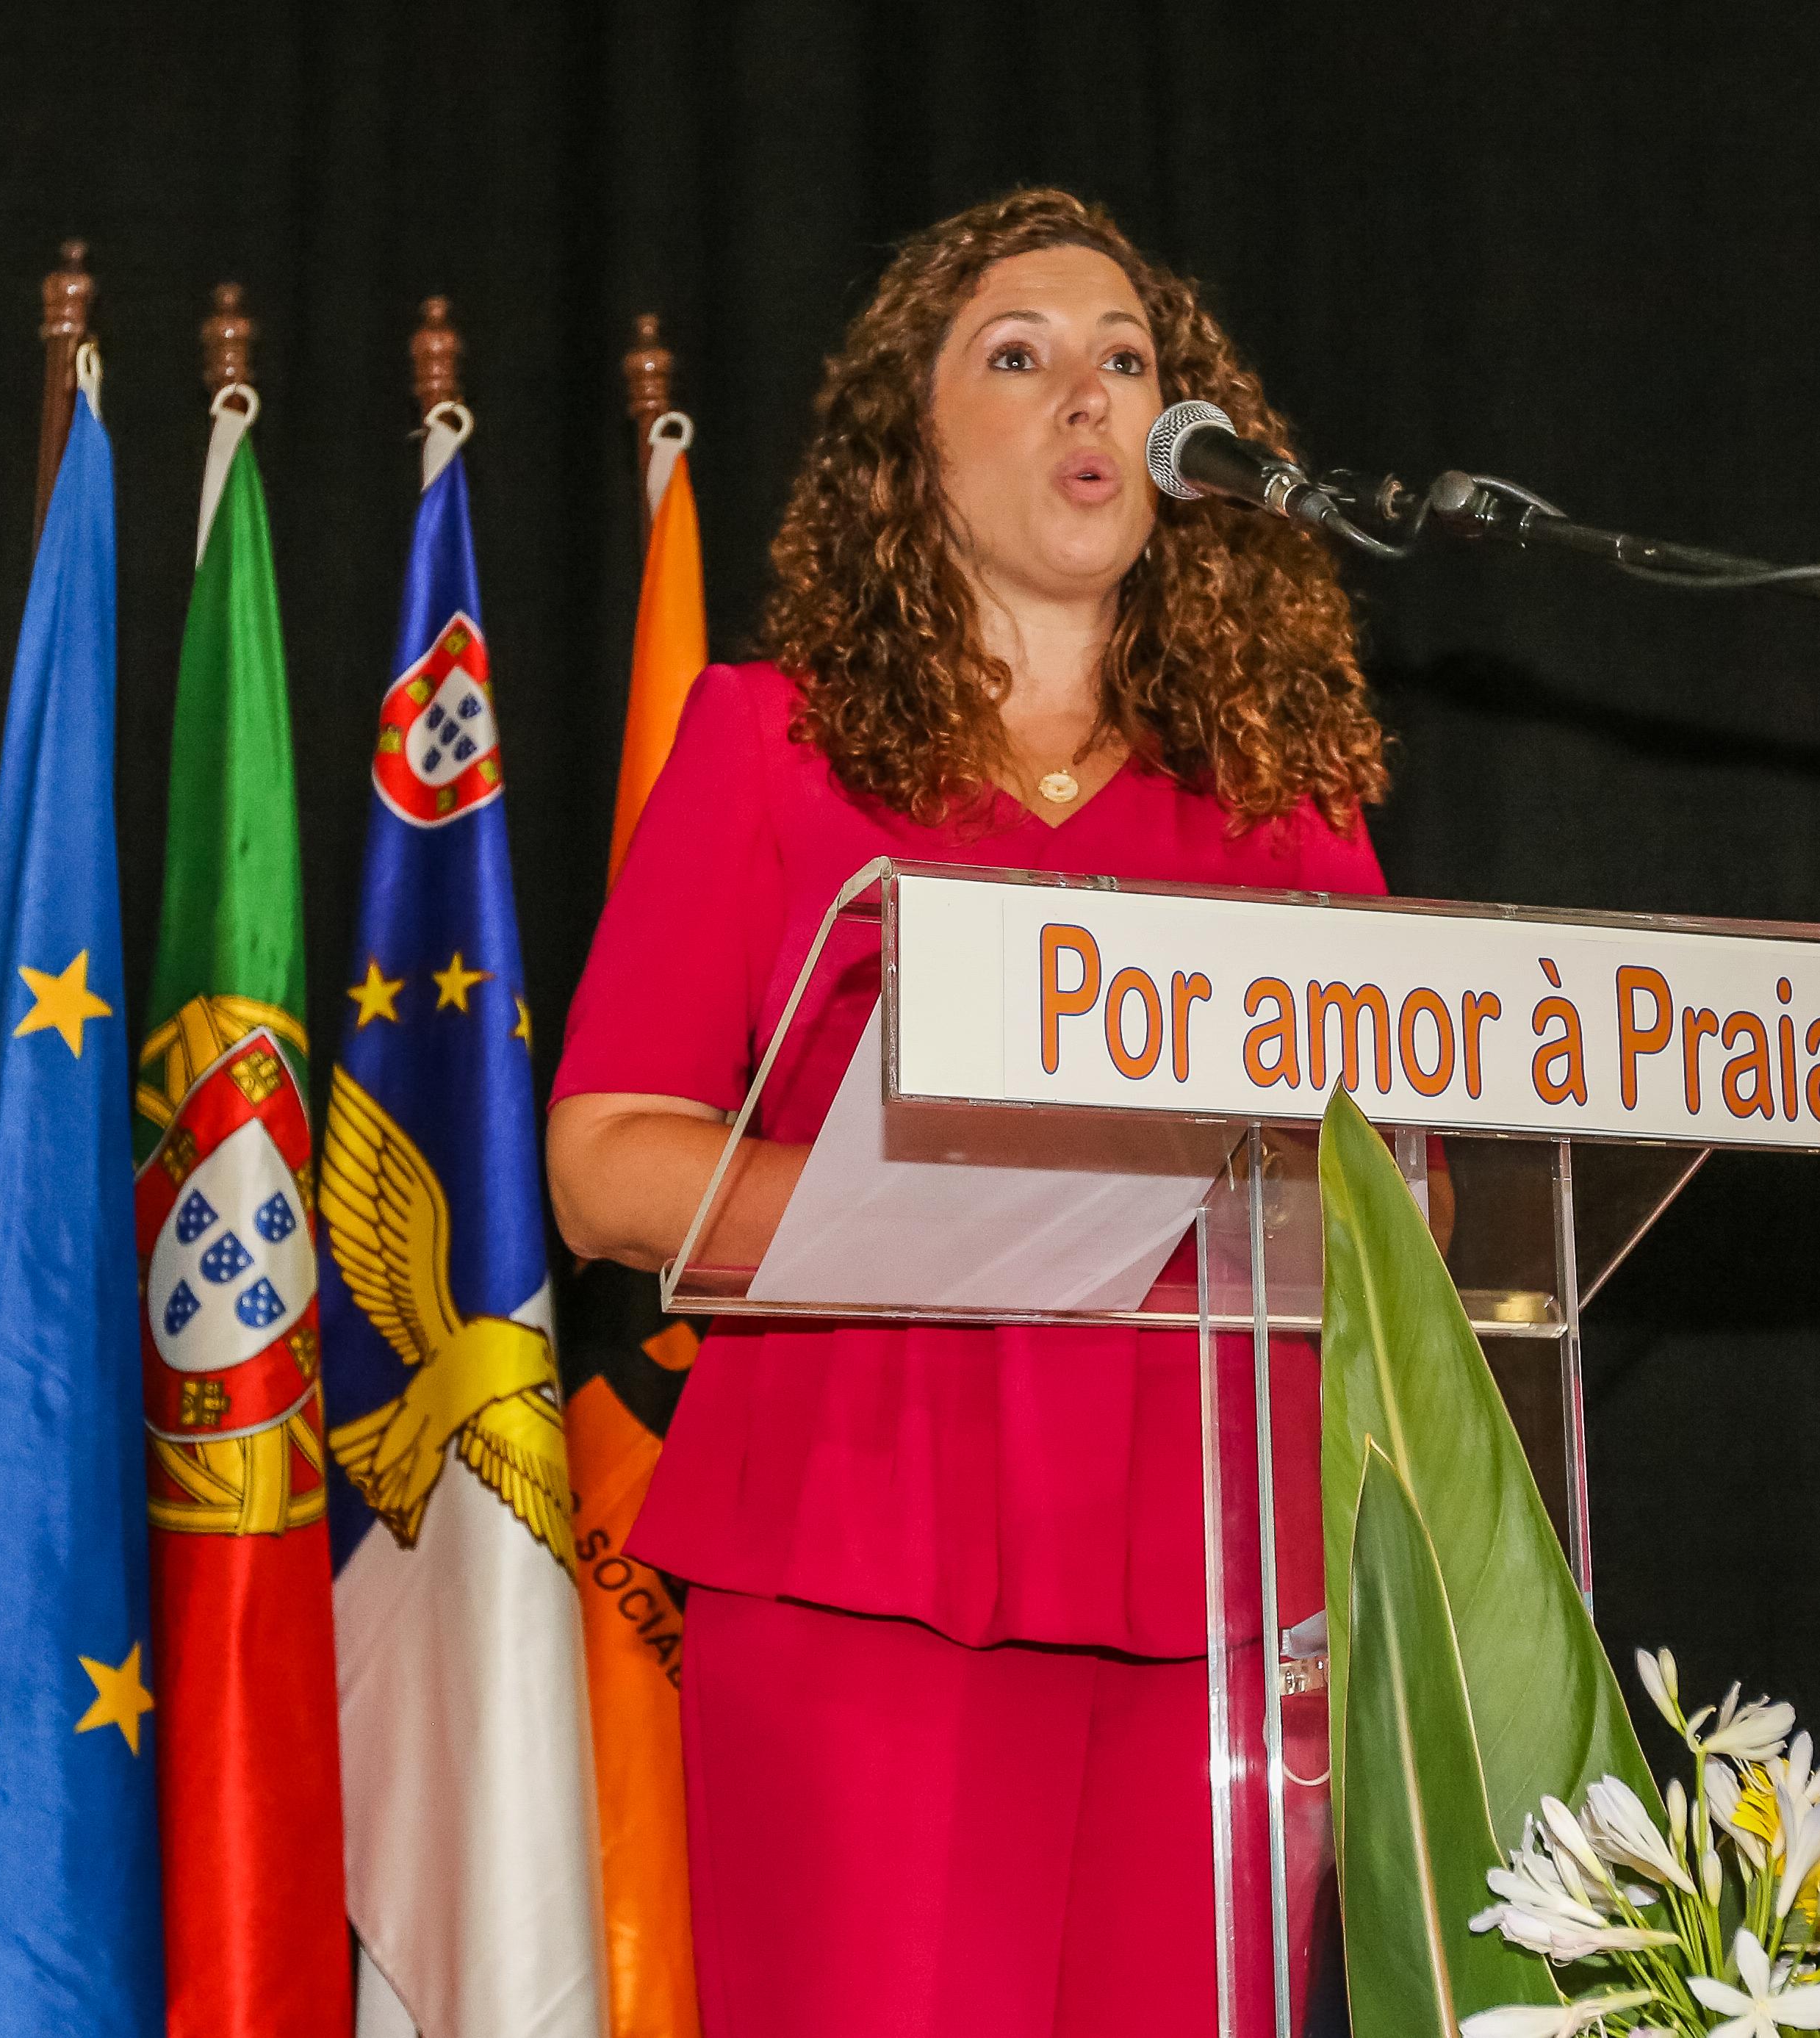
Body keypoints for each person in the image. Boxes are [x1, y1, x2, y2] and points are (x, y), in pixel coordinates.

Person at [547, 188, 1392, 2038]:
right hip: (859, 1566)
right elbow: (607, 1165)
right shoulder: (767, 746)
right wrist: (945, 1212)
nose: (1091, 400)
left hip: (1223, 1597)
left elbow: (1403, 1210)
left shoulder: (1285, 812)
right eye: (1019, 358)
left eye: (1130, 365)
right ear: (904, 448)